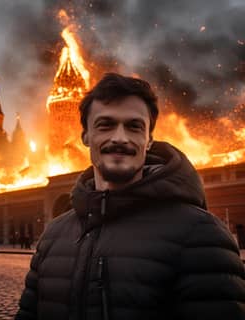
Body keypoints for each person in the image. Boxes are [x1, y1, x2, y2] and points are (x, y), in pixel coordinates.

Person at [15, 73, 245, 319]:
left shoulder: (202, 234)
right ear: (85, 136)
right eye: (106, 125)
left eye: (134, 126)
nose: (120, 138)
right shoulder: (53, 236)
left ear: (148, 140)